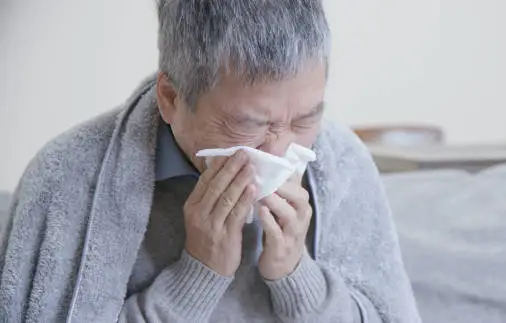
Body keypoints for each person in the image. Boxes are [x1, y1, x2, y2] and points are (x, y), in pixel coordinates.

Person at [0, 1, 422, 322]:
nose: (278, 153)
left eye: (306, 119)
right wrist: (196, 277)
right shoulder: (68, 177)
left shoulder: (343, 165)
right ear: (170, 98)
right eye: (249, 124)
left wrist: (299, 277)